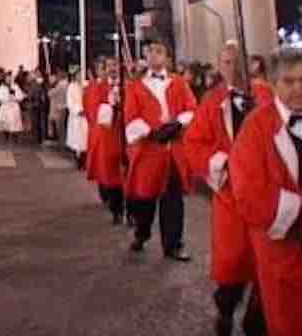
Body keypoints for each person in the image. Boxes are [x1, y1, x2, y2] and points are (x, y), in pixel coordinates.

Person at [184, 43, 272, 336]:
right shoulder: (211, 101)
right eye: (226, 63)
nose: (232, 68)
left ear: (249, 64)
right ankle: (225, 309)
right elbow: (194, 143)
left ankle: (257, 321)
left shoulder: (266, 96)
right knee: (232, 264)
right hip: (230, 196)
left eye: (236, 61)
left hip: (263, 194)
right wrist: (219, 162)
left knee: (266, 264)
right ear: (219, 66)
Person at [230, 46, 302, 336]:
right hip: (283, 244)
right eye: (289, 81)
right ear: (273, 84)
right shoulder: (256, 127)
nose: (298, 88)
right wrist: (297, 214)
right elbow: (248, 190)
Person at [124, 39, 196, 260]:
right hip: (148, 149)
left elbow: (191, 108)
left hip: (172, 149)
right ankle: (141, 232)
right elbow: (131, 116)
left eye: (159, 51)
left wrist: (178, 124)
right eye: (150, 51)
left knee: (173, 198)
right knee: (145, 198)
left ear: (167, 57)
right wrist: (151, 133)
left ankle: (173, 244)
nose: (154, 55)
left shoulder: (179, 83)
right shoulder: (135, 86)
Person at [84, 57, 126, 225]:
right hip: (108, 136)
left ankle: (130, 210)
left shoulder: (127, 85)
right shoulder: (97, 87)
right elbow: (94, 111)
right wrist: (112, 107)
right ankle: (117, 210)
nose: (112, 69)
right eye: (109, 66)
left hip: (126, 136)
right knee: (112, 175)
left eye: (115, 65)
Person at [66, 73, 89, 168]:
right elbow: (70, 102)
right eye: (78, 74)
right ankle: (78, 160)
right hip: (76, 117)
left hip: (86, 116)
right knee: (78, 141)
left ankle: (85, 160)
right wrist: (78, 110)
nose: (80, 76)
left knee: (85, 140)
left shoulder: (86, 84)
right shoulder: (71, 86)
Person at [0, 74, 24, 141]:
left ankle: (15, 136)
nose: (8, 80)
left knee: (15, 121)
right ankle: (6, 135)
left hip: (14, 106)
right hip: (5, 106)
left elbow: (20, 95)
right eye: (7, 79)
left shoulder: (15, 86)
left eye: (10, 78)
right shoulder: (1, 88)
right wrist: (7, 98)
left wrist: (16, 98)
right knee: (6, 121)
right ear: (4, 79)